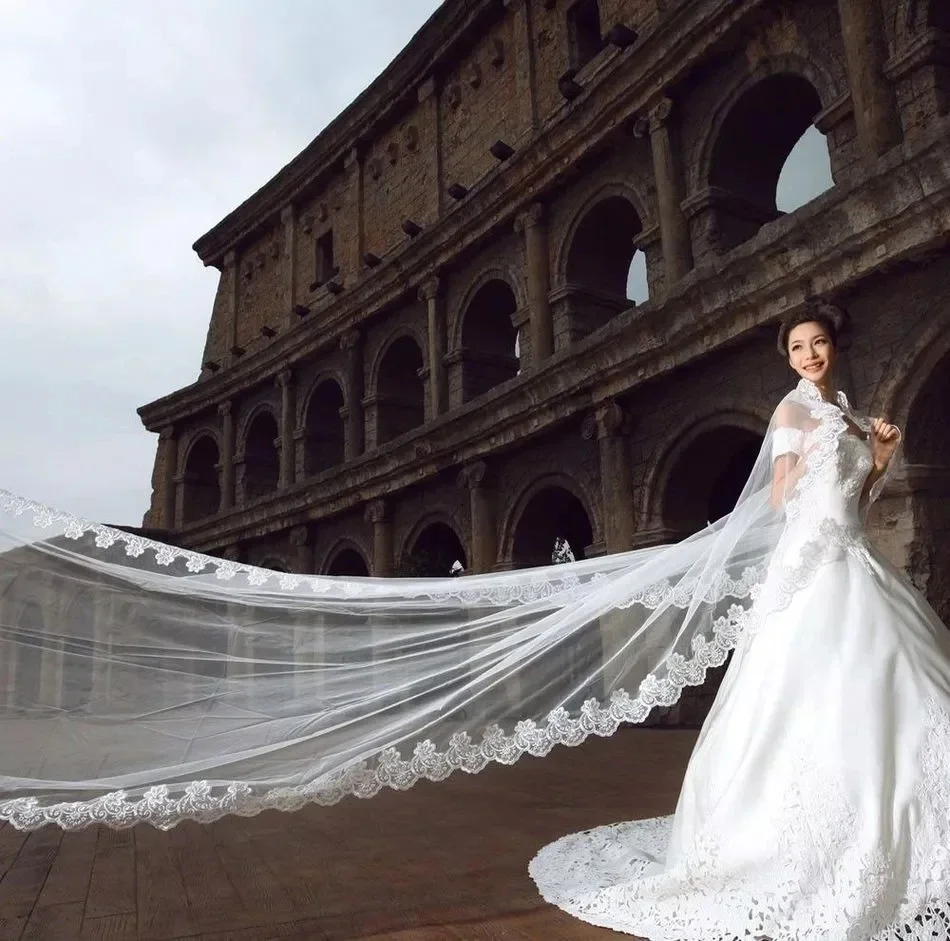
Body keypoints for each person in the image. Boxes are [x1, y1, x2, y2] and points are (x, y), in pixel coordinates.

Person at [529, 308, 950, 939]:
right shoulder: (793, 415)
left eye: (819, 343)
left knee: (904, 680)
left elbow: (854, 502)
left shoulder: (850, 415)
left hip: (855, 559)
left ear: (834, 348)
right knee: (816, 693)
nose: (810, 354)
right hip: (814, 568)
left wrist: (880, 457)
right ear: (787, 359)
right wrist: (816, 449)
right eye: (798, 348)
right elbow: (781, 498)